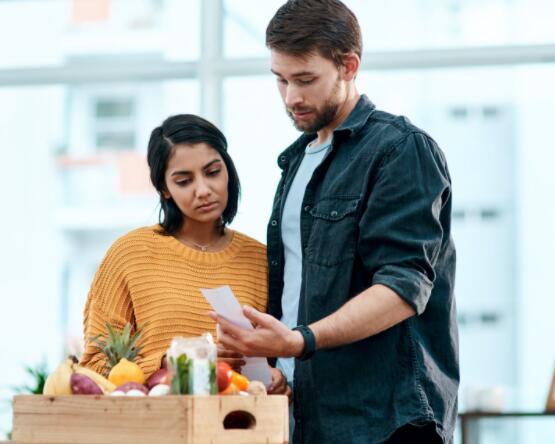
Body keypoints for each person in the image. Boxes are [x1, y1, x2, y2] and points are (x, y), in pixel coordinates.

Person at [210, 1, 458, 443]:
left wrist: (299, 340)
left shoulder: (400, 149)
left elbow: (403, 288)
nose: (292, 97)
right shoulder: (297, 162)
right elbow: (298, 292)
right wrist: (273, 361)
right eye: (281, 80)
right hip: (309, 414)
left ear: (348, 65)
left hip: (386, 420)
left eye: (306, 80)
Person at [80, 114, 288, 396]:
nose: (203, 190)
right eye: (184, 180)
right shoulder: (129, 255)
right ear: (164, 188)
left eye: (213, 172)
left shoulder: (262, 260)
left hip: (239, 428)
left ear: (228, 170)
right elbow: (95, 367)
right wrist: (170, 365)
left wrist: (278, 380)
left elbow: (283, 353)